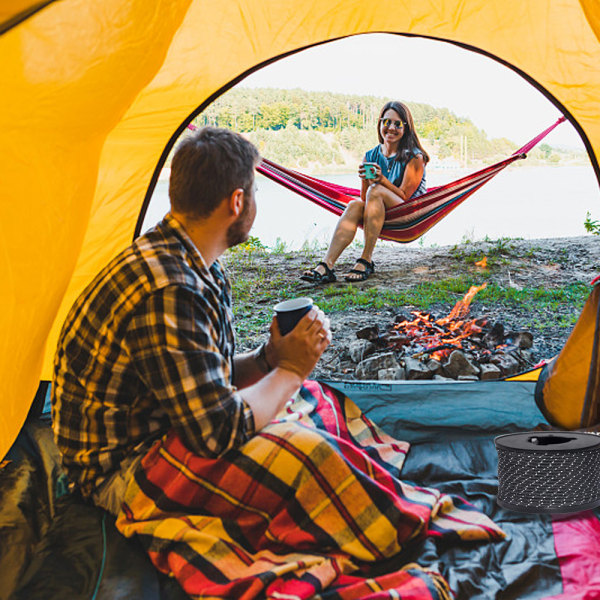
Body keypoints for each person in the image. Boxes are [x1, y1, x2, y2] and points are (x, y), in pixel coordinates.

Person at [51, 126, 331, 513]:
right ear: (237, 201)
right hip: (119, 471)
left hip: (169, 426)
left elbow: (202, 378)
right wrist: (290, 369)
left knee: (310, 404)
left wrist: (267, 359)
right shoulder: (171, 289)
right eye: (254, 193)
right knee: (306, 457)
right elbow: (217, 432)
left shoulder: (196, 262)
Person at [302, 100, 429, 283]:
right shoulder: (370, 155)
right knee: (354, 204)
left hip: (408, 213)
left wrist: (381, 181)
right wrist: (364, 178)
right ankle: (327, 265)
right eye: (386, 122)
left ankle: (366, 259)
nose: (391, 128)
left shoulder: (414, 156)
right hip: (379, 212)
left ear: (406, 128)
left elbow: (404, 197)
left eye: (397, 124)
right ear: (380, 124)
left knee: (376, 190)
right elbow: (365, 199)